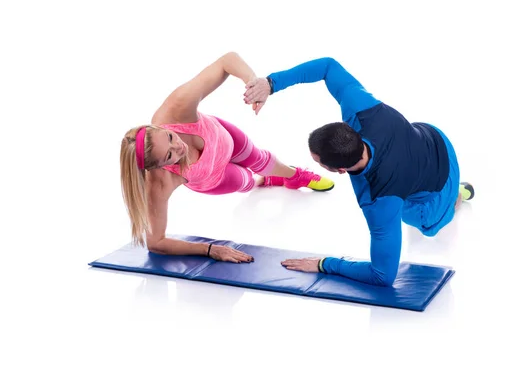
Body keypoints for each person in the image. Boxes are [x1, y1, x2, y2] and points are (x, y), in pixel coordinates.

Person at [243, 57, 474, 287]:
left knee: (425, 223)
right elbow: (328, 66)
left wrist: (325, 264)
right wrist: (271, 84)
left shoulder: (379, 200)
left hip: (442, 184)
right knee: (405, 182)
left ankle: (457, 196)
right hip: (436, 139)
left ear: (340, 170)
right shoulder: (360, 108)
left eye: (319, 162)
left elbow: (383, 276)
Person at [119, 52, 335, 263]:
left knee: (261, 159)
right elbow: (156, 242)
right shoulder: (158, 182)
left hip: (223, 138)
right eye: (169, 155)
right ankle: (265, 180)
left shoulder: (177, 108)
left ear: (157, 127)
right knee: (248, 181)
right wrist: (209, 249)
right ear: (158, 166)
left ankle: (295, 176)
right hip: (212, 177)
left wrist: (254, 83)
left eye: (170, 137)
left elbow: (226, 61)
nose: (179, 147)